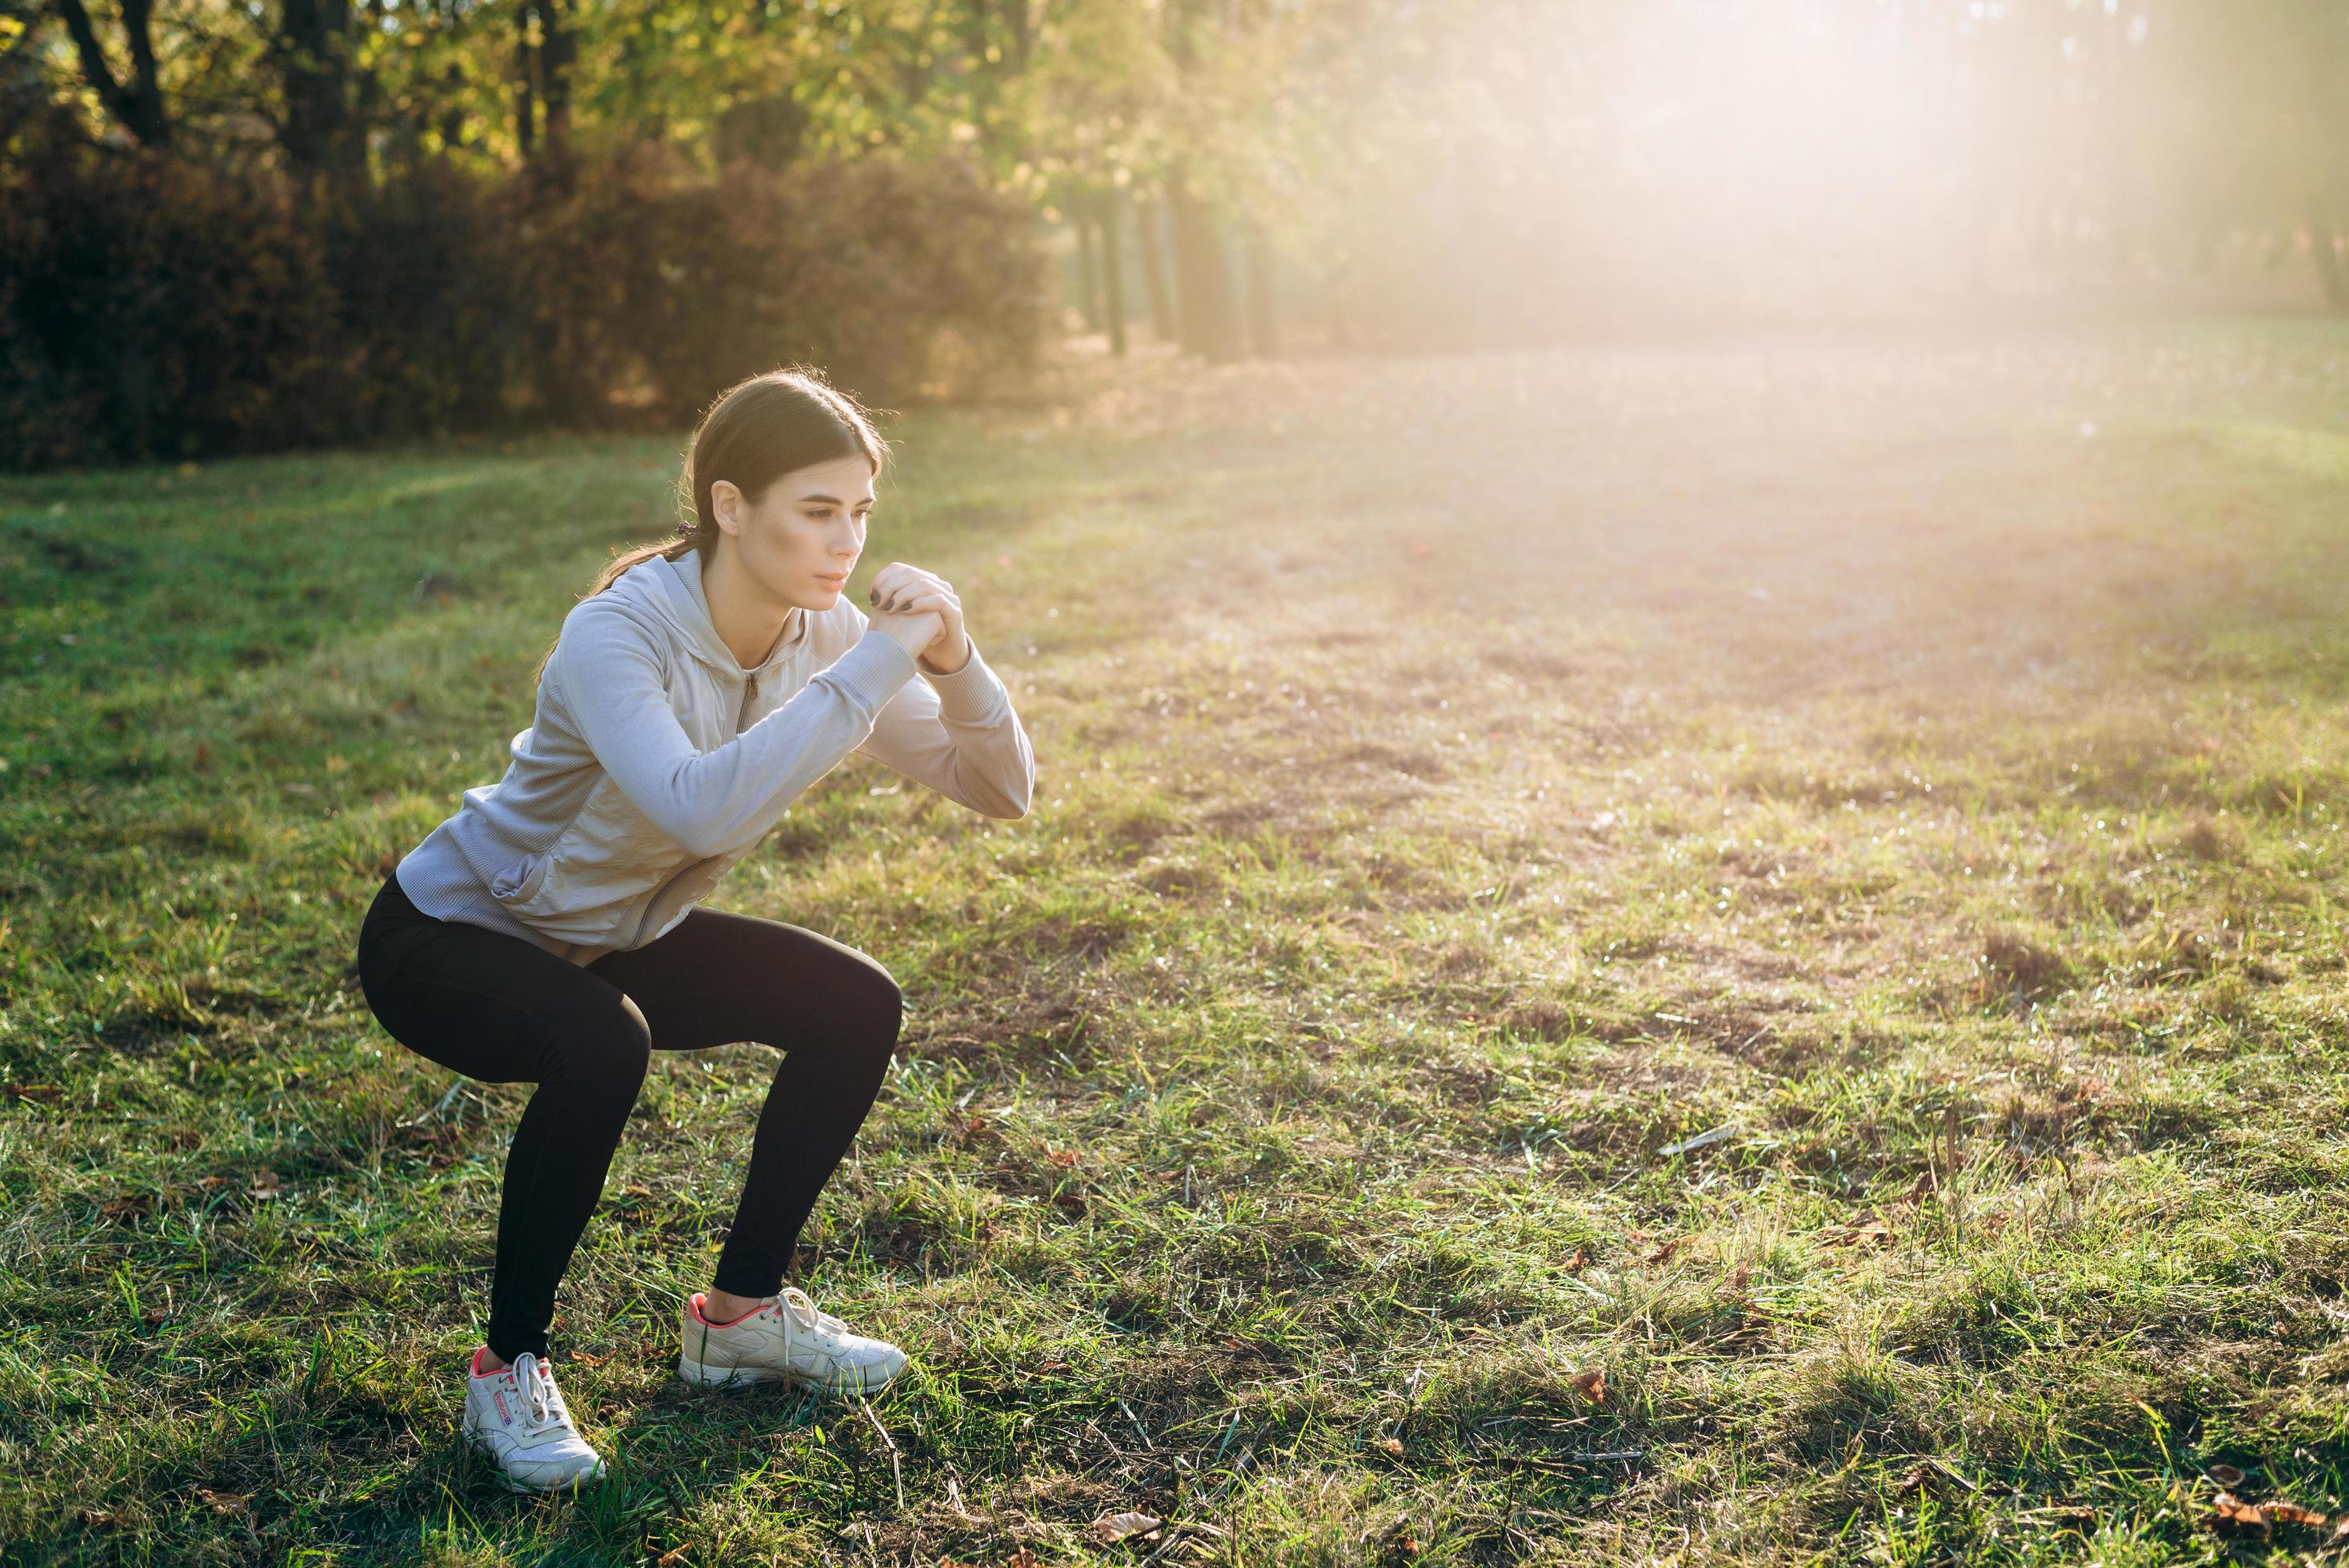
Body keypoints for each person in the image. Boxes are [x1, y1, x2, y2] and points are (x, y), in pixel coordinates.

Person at [353, 366, 1034, 1492]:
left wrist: (957, 661)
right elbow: (697, 804)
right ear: (730, 506)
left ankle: (739, 1319)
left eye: (860, 513)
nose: (846, 544)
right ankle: (506, 1369)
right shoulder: (617, 633)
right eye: (817, 511)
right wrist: (874, 659)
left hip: (614, 932)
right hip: (452, 936)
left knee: (853, 1002)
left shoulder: (824, 637)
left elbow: (1000, 788)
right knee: (600, 1038)